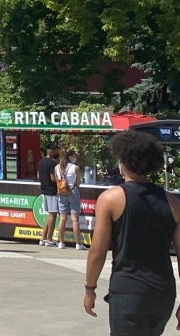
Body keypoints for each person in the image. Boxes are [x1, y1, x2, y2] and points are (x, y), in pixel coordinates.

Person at [84, 131, 180, 334]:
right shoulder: (173, 203)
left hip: (128, 290)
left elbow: (97, 252)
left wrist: (90, 288)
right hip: (163, 293)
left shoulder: (110, 199)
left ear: (124, 162)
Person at [57, 148, 88, 250]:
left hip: (61, 193)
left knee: (62, 219)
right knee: (75, 220)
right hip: (73, 191)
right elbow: (78, 183)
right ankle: (78, 243)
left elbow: (58, 181)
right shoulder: (75, 168)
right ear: (70, 157)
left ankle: (61, 243)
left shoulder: (57, 167)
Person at [37, 145, 61, 246]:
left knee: (49, 214)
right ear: (51, 151)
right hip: (52, 191)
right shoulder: (52, 163)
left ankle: (43, 238)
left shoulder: (40, 161)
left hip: (44, 190)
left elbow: (38, 176)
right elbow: (52, 178)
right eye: (55, 150)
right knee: (53, 215)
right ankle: (49, 239)